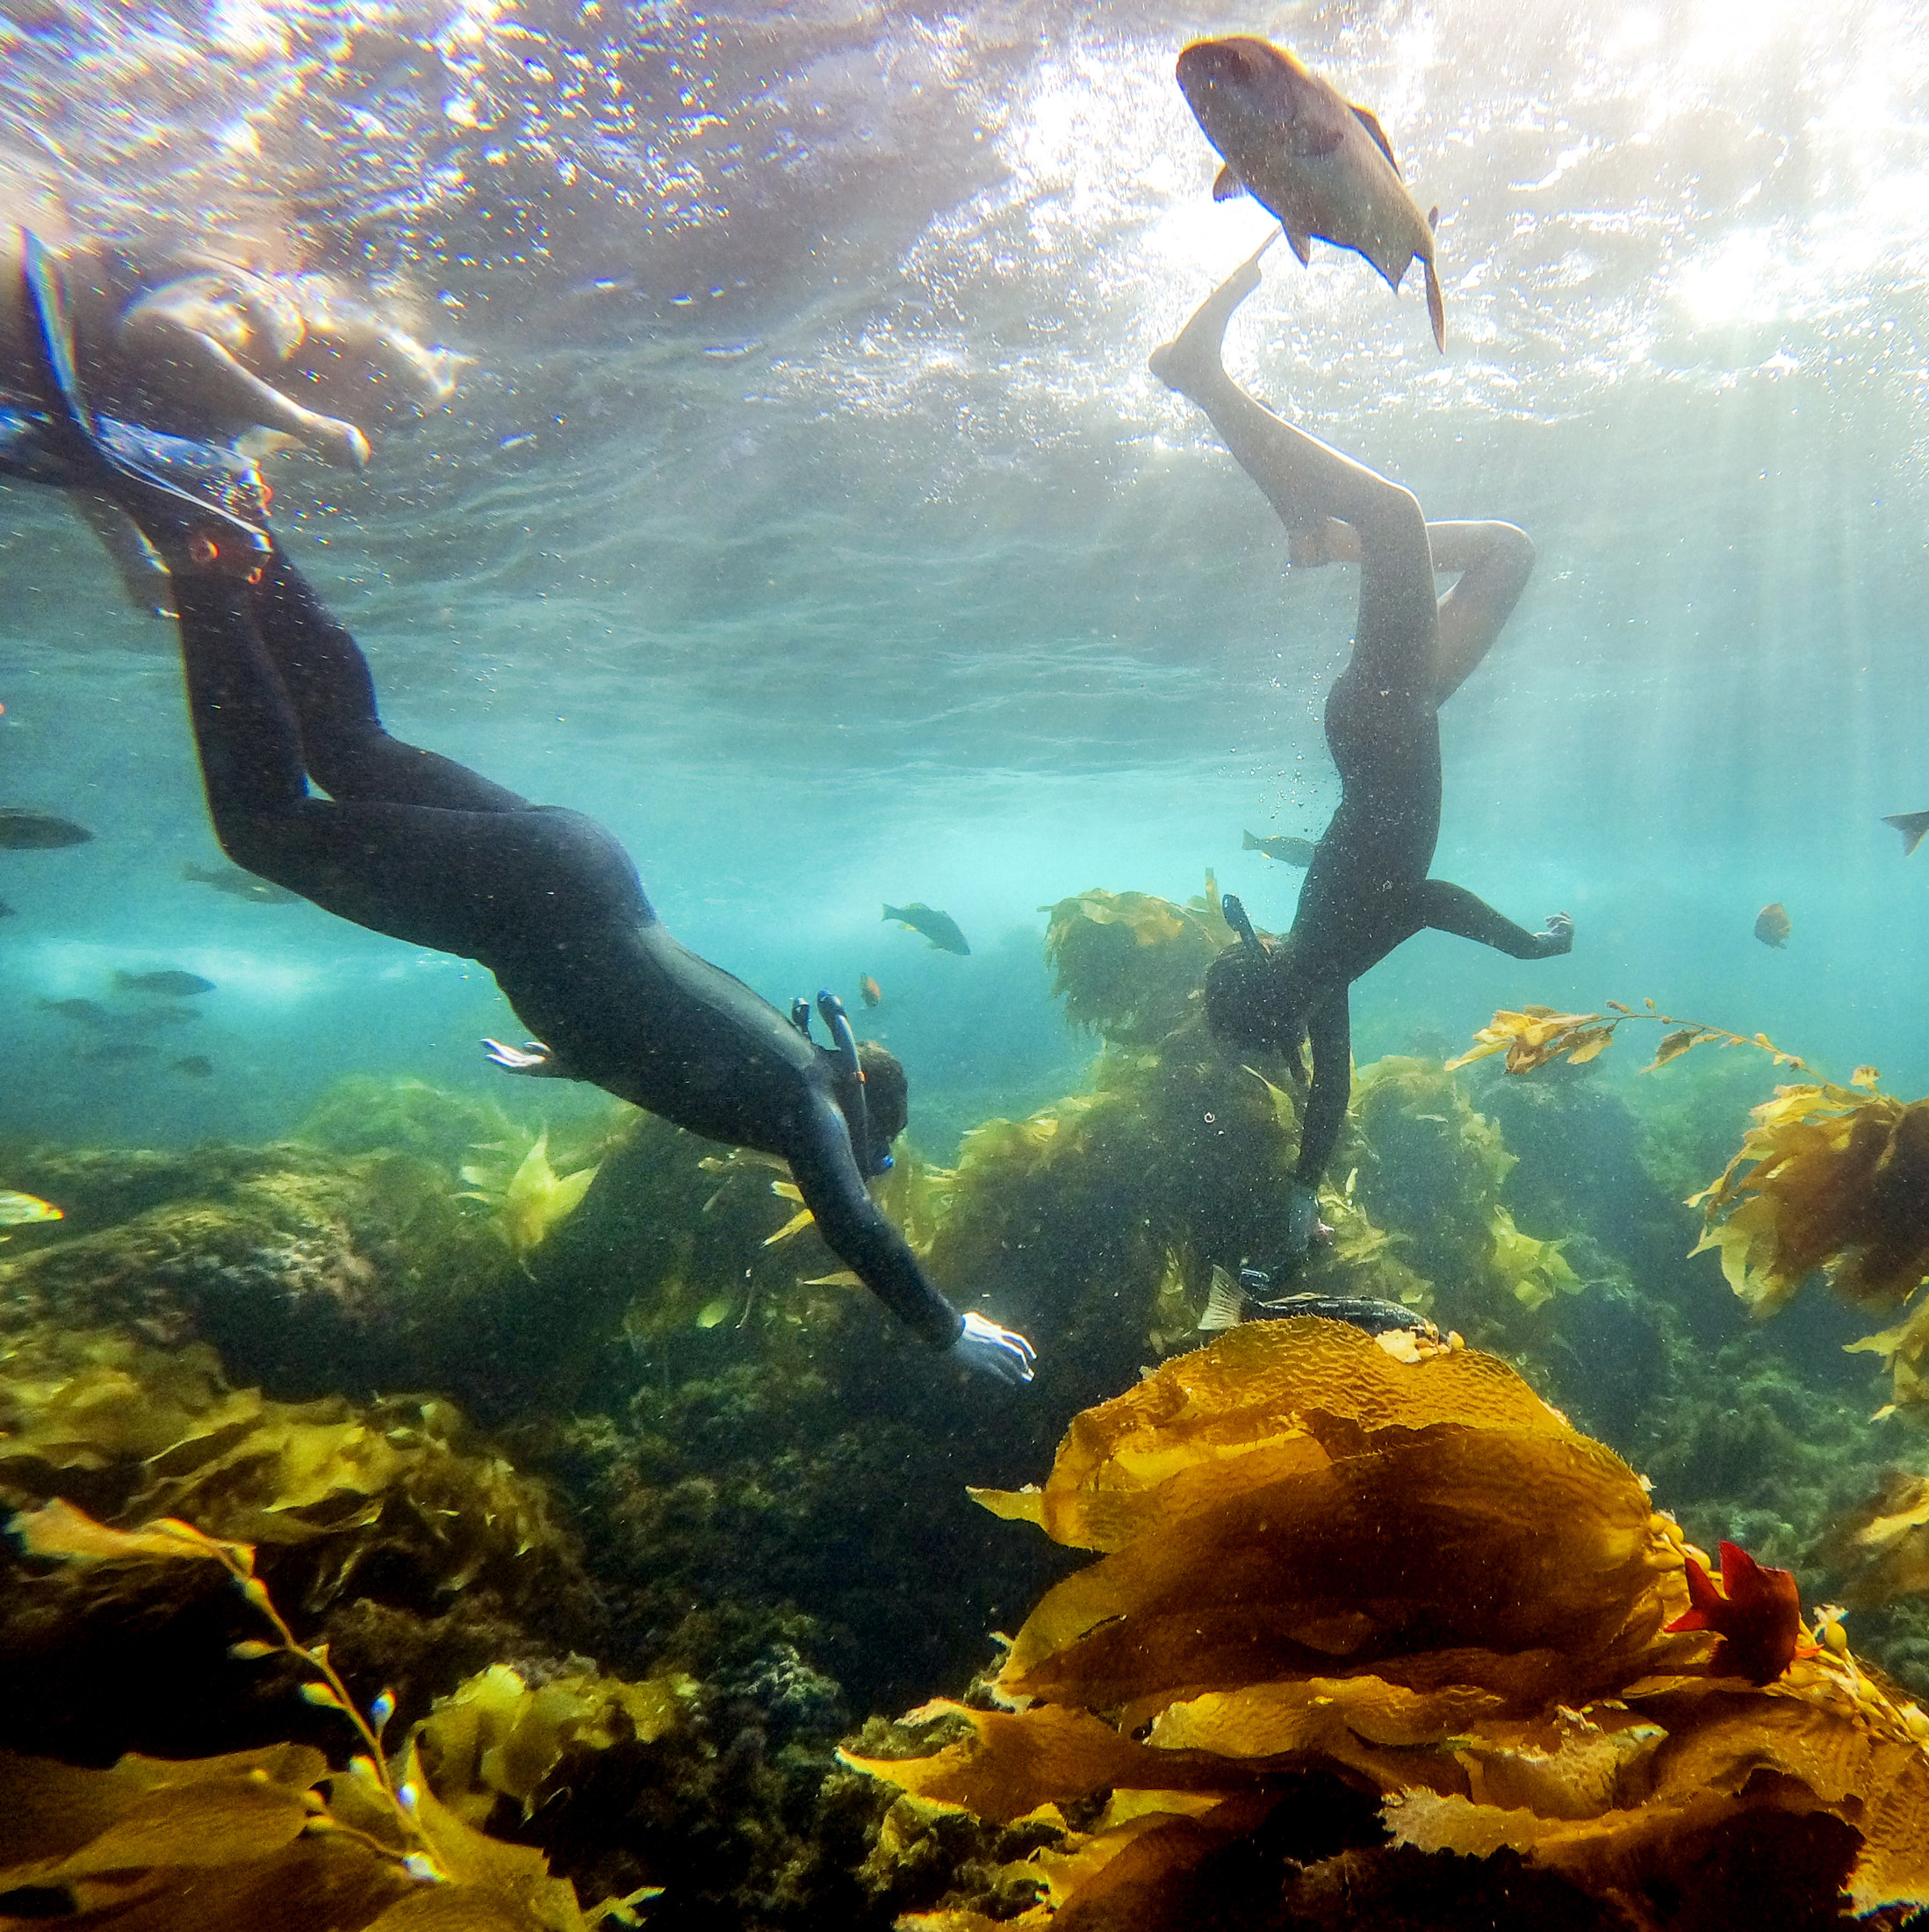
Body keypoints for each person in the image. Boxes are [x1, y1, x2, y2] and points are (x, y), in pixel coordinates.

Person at [8, 233, 1032, 1387]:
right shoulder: (805, 1105)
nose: (861, 1165)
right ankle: (209, 557)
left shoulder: (777, 1066)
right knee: (262, 829)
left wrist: (570, 1060)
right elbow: (856, 1224)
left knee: (353, 746)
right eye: (868, 1147)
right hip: (523, 905)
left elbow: (667, 1035)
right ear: (854, 1117)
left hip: (581, 868)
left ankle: (246, 531)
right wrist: (945, 1327)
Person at [1150, 236, 1572, 1274]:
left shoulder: (1327, 957)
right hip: (1396, 717)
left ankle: (1202, 381)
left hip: (1384, 728)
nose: (1309, 1026)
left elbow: (1424, 902)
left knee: (1395, 516)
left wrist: (1528, 951)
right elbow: (1329, 1092)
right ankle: (1322, 538)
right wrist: (1299, 1200)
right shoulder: (1312, 964)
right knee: (1504, 552)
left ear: (1283, 998)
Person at [0, 231, 458, 613]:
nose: (374, 426)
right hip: (20, 302)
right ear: (366, 362)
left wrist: (135, 560)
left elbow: (93, 451)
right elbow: (154, 329)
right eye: (390, 407)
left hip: (23, 364)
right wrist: (306, 424)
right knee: (221, 465)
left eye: (396, 422)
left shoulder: (228, 408)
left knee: (218, 466)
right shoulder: (278, 314)